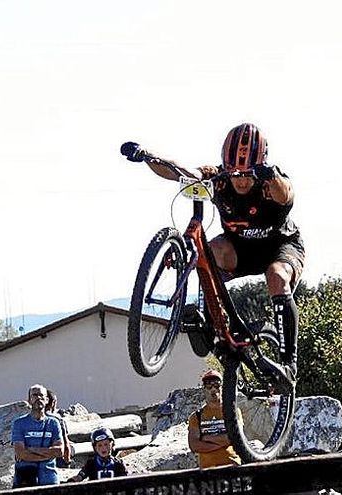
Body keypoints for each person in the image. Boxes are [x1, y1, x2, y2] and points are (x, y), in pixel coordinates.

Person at [127, 123, 305, 378]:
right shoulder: (219, 178)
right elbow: (180, 171)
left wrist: (271, 175)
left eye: (247, 173)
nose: (241, 180)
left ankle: (289, 364)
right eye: (235, 173)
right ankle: (216, 325)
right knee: (206, 252)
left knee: (276, 276)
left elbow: (285, 193)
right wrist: (147, 156)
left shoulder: (271, 183)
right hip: (239, 249)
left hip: (280, 247)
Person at [11, 384, 64, 487]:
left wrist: (31, 449)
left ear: (47, 400)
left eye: (41, 395)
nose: (38, 398)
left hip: (49, 478)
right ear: (29, 400)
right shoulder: (19, 423)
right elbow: (20, 453)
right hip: (25, 477)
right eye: (35, 395)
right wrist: (47, 454)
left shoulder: (53, 423)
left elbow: (59, 451)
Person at [188, 370, 241, 468]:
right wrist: (222, 442)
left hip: (232, 465)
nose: (213, 389)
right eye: (209, 386)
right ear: (204, 389)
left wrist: (206, 438)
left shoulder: (233, 412)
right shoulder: (196, 416)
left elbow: (235, 439)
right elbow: (194, 445)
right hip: (208, 470)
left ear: (222, 388)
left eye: (217, 385)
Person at [45, 389, 73, 468]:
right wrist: (67, 460)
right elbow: (65, 442)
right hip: (57, 458)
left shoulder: (34, 419)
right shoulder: (58, 420)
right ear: (53, 403)